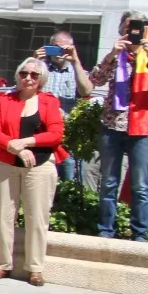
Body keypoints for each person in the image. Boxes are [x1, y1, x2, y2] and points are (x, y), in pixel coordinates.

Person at [90, 11, 148, 240]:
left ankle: (140, 232)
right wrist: (111, 55)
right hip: (112, 125)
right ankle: (106, 230)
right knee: (108, 182)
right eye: (128, 28)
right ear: (121, 31)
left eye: (137, 28)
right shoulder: (116, 56)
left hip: (144, 127)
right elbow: (95, 80)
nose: (132, 33)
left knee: (140, 185)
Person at [0, 58, 66, 286]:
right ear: (17, 76)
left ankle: (35, 268)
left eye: (34, 74)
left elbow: (56, 134)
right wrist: (13, 146)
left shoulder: (49, 102)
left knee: (37, 218)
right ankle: (2, 264)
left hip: (39, 166)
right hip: (4, 163)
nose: (28, 78)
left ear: (41, 79)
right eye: (24, 73)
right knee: (3, 216)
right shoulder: (6, 100)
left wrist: (26, 143)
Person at [36, 31, 92, 182]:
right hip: (41, 133)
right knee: (40, 177)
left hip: (66, 136)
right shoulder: (41, 69)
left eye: (63, 48)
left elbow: (86, 91)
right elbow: (23, 89)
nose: (58, 52)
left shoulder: (76, 71)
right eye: (55, 47)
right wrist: (34, 62)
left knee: (68, 177)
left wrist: (75, 61)